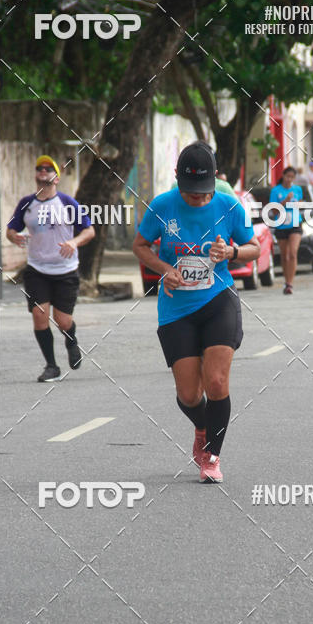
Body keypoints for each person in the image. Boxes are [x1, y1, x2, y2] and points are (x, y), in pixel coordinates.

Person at [132, 141, 260, 483]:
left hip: (219, 301)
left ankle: (212, 457)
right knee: (189, 395)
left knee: (216, 381)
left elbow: (255, 247)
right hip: (177, 309)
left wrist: (232, 252)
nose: (199, 199)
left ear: (214, 179)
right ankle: (202, 427)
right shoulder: (161, 206)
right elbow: (140, 246)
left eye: (204, 192)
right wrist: (164, 269)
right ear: (177, 179)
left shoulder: (230, 206)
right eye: (191, 192)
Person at [6, 155, 95, 382]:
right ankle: (51, 366)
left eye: (48, 169)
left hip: (65, 270)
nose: (43, 171)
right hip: (37, 270)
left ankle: (71, 340)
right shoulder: (27, 204)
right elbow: (11, 229)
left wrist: (74, 242)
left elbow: (89, 231)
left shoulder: (67, 203)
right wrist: (14, 236)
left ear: (57, 178)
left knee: (63, 321)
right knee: (39, 316)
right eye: (39, 168)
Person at [269, 166, 303, 294]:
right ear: (283, 176)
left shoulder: (297, 189)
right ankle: (286, 280)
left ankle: (290, 284)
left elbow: (300, 204)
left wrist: (299, 205)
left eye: (292, 177)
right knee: (284, 256)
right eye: (287, 176)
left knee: (293, 253)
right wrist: (285, 201)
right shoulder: (276, 191)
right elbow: (274, 211)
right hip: (281, 225)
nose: (289, 179)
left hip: (295, 224)